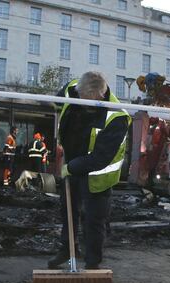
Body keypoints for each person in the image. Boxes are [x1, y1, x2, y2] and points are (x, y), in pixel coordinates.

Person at [48, 71, 131, 269]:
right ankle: (68, 249)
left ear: (101, 97)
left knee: (94, 219)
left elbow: (100, 158)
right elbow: (56, 104)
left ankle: (93, 263)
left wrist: (72, 167)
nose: (85, 106)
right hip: (72, 161)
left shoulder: (117, 117)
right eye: (82, 100)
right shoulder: (72, 89)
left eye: (90, 102)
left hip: (97, 174)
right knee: (68, 210)